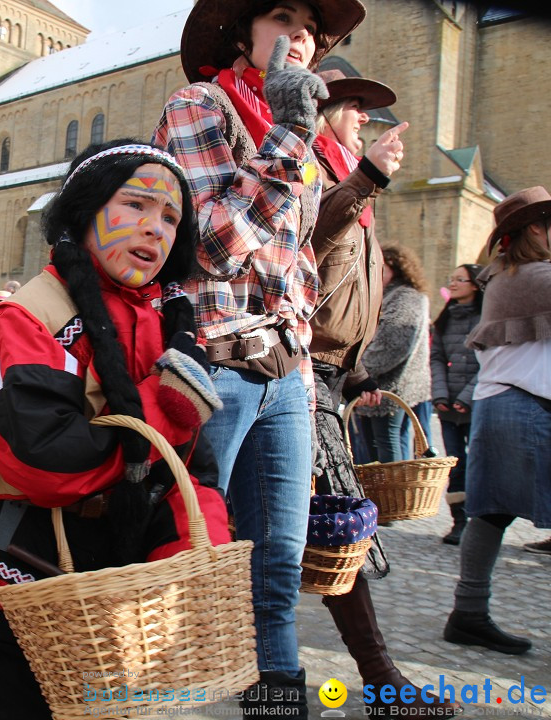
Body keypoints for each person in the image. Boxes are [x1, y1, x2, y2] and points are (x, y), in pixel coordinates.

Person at [0, 140, 227, 720]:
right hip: (24, 568)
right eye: (136, 205)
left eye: (171, 217)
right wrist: (163, 405)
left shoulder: (166, 327)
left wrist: (196, 557)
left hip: (113, 576)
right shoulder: (26, 318)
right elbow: (47, 458)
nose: (155, 229)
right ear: (86, 210)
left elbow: (188, 468)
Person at [153, 0, 365, 712]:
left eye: (310, 26)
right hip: (216, 366)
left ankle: (277, 708)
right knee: (186, 564)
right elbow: (212, 245)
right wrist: (287, 137)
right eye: (283, 16)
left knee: (276, 573)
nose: (301, 34)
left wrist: (306, 365)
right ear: (243, 34)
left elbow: (293, 261)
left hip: (286, 376)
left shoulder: (301, 142)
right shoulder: (199, 103)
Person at [308, 73, 459, 716]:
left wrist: (357, 371)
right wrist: (366, 177)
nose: (364, 119)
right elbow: (309, 242)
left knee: (333, 530)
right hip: (286, 370)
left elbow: (346, 295)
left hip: (322, 373)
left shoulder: (350, 176)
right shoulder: (310, 166)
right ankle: (275, 675)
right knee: (290, 531)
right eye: (354, 107)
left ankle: (378, 677)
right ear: (323, 110)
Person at [442, 187, 551, 656]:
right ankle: (467, 614)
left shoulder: (512, 274)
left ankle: (468, 613)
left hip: (508, 404)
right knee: (490, 513)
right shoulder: (533, 276)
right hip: (521, 406)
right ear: (534, 229)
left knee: (490, 514)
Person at [353, 245, 431, 462]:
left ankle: (389, 496)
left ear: (396, 269)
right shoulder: (388, 296)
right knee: (378, 448)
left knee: (386, 448)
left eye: (381, 268)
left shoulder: (405, 297)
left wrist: (360, 371)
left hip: (391, 386)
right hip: (381, 385)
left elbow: (393, 344)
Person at [431, 264, 484, 545]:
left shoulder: (486, 318)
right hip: (448, 405)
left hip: (476, 404)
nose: (452, 284)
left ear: (475, 285)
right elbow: (437, 357)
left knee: (478, 464)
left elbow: (489, 363)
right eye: (450, 279)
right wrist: (441, 394)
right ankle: (459, 520)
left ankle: (479, 523)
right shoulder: (446, 319)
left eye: (459, 280)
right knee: (455, 464)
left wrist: (466, 397)